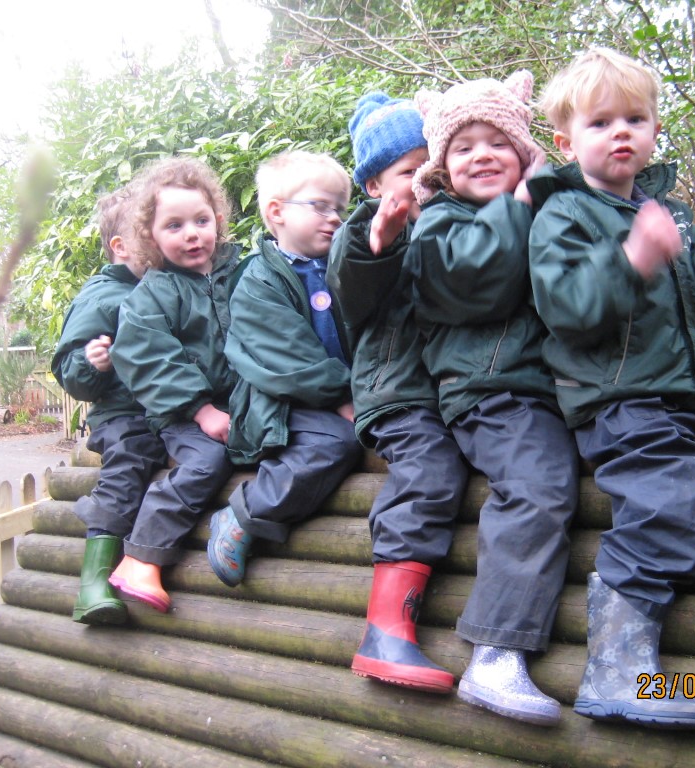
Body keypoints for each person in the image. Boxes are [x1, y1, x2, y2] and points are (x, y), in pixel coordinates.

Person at [529, 47, 695, 730]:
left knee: (694, 499)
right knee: (673, 507)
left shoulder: (669, 212)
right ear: (567, 142)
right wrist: (633, 259)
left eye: (636, 117)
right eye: (602, 123)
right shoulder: (563, 216)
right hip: (620, 402)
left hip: (678, 402)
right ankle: (615, 668)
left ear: (657, 129)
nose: (622, 131)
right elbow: (567, 308)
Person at [406, 70, 579, 725]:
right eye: (463, 146)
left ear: (526, 149)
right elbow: (474, 278)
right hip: (491, 391)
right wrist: (527, 199)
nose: (481, 154)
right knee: (537, 484)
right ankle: (495, 655)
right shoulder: (439, 224)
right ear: (442, 167)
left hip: (557, 395)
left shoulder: (551, 209)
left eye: (497, 142)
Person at [328, 93, 470, 694]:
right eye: (405, 172)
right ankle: (386, 630)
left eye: (428, 166)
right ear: (371, 186)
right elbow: (349, 286)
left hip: (453, 393)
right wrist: (379, 239)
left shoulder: (454, 223)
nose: (421, 181)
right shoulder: (365, 235)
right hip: (398, 391)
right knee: (430, 470)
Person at [206, 150, 362, 588]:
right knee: (333, 444)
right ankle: (244, 514)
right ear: (277, 212)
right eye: (320, 206)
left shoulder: (341, 267)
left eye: (339, 209)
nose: (334, 218)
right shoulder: (259, 280)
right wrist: (345, 399)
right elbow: (289, 359)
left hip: (337, 396)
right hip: (277, 404)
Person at [108, 156, 241, 613]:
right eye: (175, 225)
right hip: (183, 414)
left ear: (218, 222)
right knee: (206, 460)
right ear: (151, 237)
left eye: (201, 221)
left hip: (242, 403)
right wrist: (201, 410)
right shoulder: (153, 294)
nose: (192, 234)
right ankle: (140, 558)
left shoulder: (239, 274)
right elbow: (148, 359)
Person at [51, 186, 169, 625]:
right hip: (122, 414)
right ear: (120, 247)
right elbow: (68, 369)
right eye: (147, 235)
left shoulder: (165, 286)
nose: (159, 242)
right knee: (129, 463)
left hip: (165, 411)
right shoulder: (102, 295)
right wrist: (91, 361)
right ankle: (93, 582)